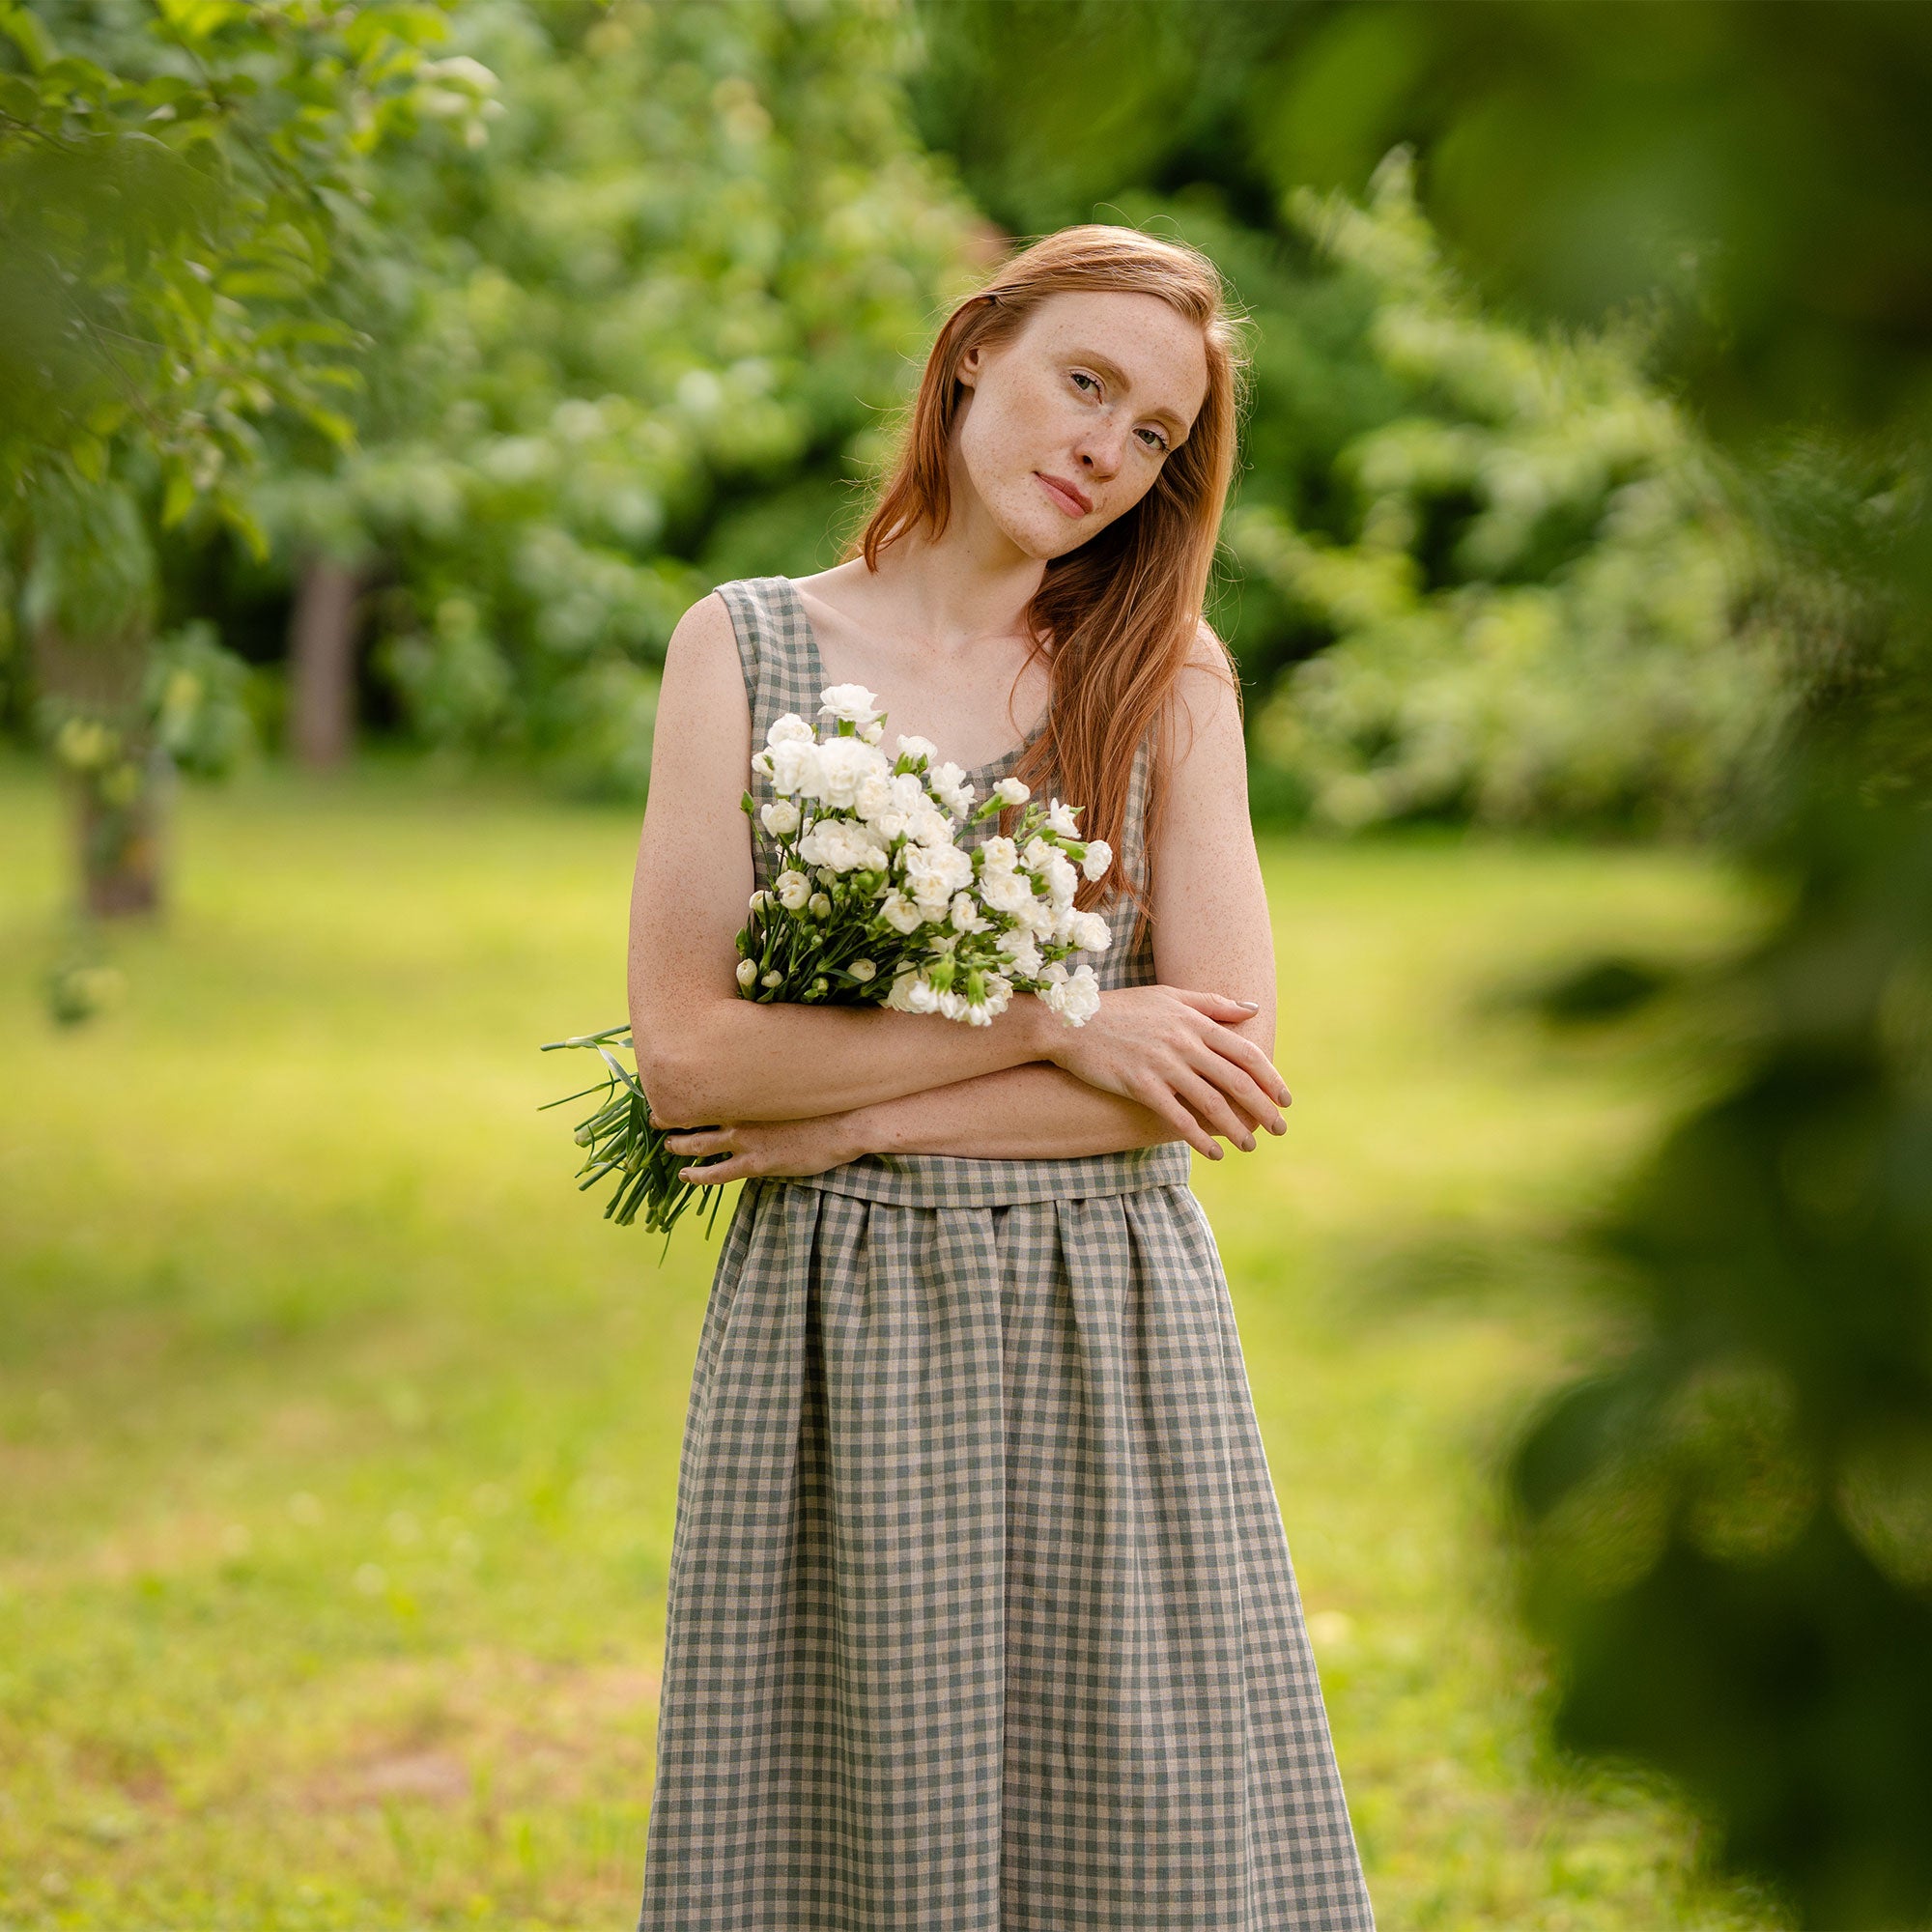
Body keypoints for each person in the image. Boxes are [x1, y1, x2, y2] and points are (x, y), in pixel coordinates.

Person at [628, 225, 1375, 1930]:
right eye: (1086, 384)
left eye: (1157, 433)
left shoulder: (1164, 676)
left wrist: (863, 1114)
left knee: (1141, 1818)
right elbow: (688, 1063)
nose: (1109, 448)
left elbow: (1218, 1068)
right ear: (976, 352)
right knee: (847, 1820)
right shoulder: (743, 648)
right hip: (838, 1322)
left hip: (1104, 1311)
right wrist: (1050, 1025)